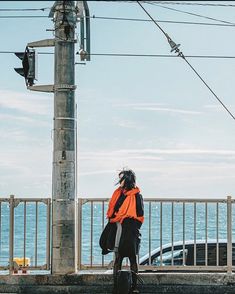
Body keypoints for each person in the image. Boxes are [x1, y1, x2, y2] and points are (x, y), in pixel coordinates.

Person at [106, 169, 144, 294]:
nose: (119, 181)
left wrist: (122, 218)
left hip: (125, 228)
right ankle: (132, 287)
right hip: (126, 228)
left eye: (121, 178)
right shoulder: (135, 195)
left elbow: (113, 212)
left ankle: (119, 287)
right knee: (125, 258)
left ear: (126, 180)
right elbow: (140, 215)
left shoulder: (131, 195)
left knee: (123, 258)